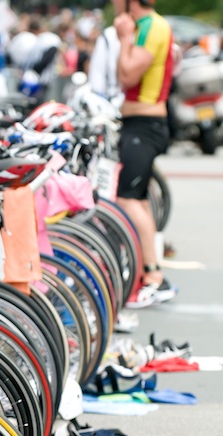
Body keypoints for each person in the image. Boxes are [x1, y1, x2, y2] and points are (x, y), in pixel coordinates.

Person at [112, 0, 176, 308]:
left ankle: (154, 277)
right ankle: (150, 274)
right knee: (135, 199)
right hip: (139, 123)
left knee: (128, 198)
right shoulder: (146, 26)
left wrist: (124, 38)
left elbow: (127, 76)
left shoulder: (152, 27)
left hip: (145, 125)